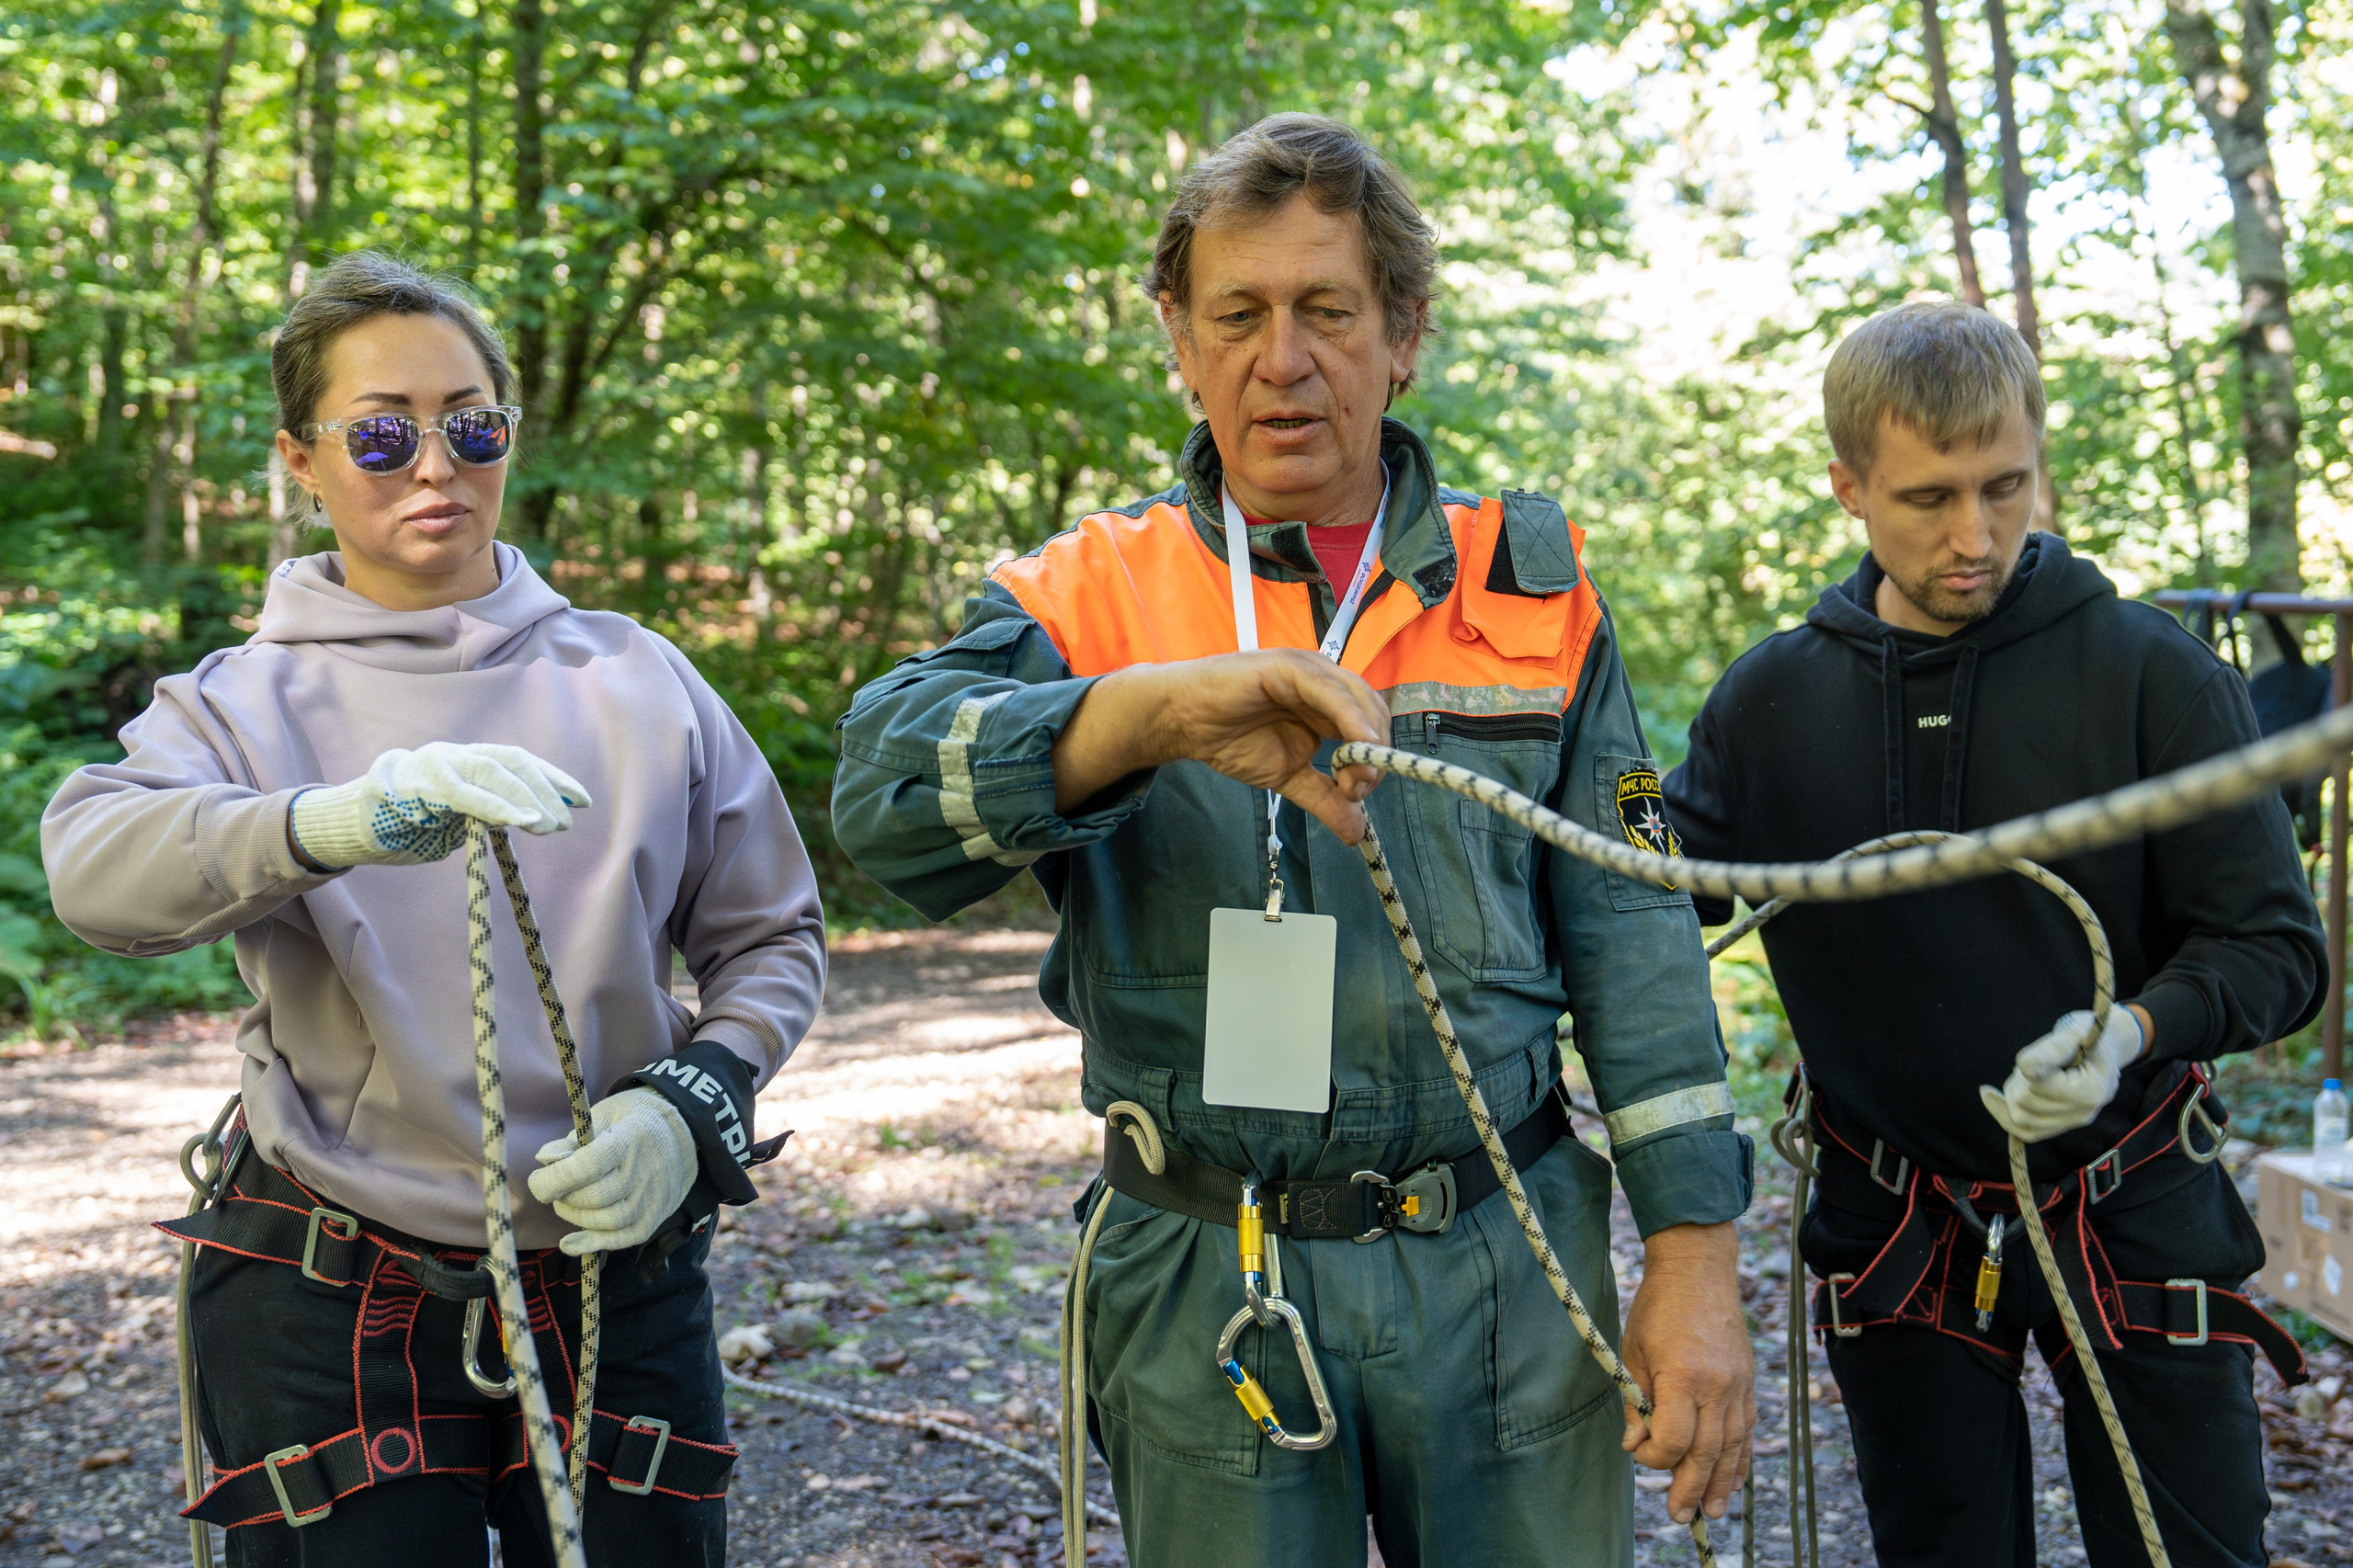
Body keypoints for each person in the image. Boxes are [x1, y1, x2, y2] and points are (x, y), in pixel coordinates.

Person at [832, 114, 1754, 1567]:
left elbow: (1637, 941)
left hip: (1500, 1246)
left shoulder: (1533, 593)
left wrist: (1696, 1258)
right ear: (1180, 343)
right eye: (1238, 315)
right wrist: (1142, 718)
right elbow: (881, 800)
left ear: (1404, 334)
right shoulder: (1086, 595)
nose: (1283, 358)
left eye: (1327, 309)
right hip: (1209, 1262)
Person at [41, 251, 826, 1566]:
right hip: (327, 1293)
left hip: (613, 1277)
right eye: (381, 433)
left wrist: (693, 1102)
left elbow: (772, 938)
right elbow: (94, 867)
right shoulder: (242, 703)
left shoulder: (639, 677)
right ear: (300, 457)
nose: (434, 465)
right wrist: (326, 820)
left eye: (471, 424)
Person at [1663, 301, 2324, 1568]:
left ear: (2038, 459)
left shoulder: (2154, 676)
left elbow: (2277, 951)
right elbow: (1649, 869)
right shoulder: (1771, 704)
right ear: (1849, 485)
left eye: (2004, 485)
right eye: (1927, 498)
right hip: (1900, 1221)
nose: (1974, 536)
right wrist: (1595, 770)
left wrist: (2130, 1029)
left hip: (2128, 1200)